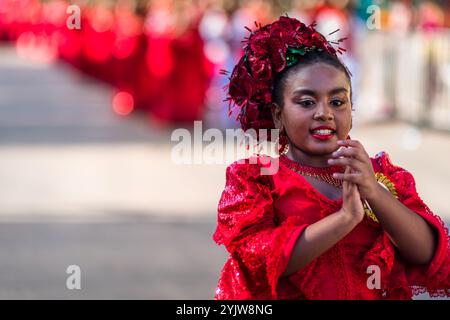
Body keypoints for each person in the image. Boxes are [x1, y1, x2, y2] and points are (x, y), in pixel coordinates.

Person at [213, 16, 450, 300]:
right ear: (278, 115)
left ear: (352, 109)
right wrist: (345, 218)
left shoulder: (380, 174)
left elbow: (428, 253)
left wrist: (373, 191)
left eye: (337, 102)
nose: (324, 112)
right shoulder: (257, 180)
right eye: (306, 102)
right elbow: (260, 261)